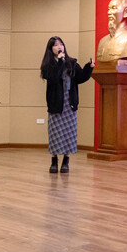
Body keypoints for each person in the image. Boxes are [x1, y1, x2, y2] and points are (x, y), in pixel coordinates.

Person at [41, 37, 94, 173]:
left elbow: (81, 77)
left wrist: (89, 68)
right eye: (55, 45)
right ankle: (54, 161)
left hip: (69, 103)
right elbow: (53, 77)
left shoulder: (71, 63)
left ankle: (66, 160)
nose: (59, 47)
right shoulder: (48, 65)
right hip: (56, 103)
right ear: (51, 49)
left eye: (61, 44)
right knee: (55, 134)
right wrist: (59, 62)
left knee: (69, 134)